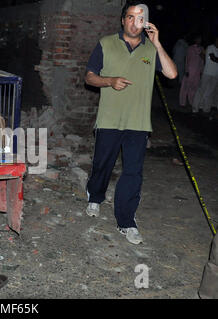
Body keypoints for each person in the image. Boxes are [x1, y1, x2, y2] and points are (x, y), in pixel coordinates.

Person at [84, 1, 177, 244]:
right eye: (130, 17)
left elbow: (172, 74)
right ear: (123, 19)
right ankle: (95, 196)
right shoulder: (106, 43)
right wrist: (110, 81)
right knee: (102, 164)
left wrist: (157, 43)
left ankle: (126, 221)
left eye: (140, 18)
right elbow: (90, 77)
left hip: (139, 123)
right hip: (109, 119)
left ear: (145, 22)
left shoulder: (150, 50)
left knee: (133, 173)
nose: (134, 22)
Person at [192, 36, 218, 114]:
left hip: (216, 74)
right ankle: (195, 108)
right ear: (216, 40)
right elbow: (213, 58)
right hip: (207, 73)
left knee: (210, 92)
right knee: (201, 90)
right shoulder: (210, 47)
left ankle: (206, 109)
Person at [179, 34, 204, 109]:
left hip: (197, 71)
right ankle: (182, 103)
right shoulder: (190, 48)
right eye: (198, 39)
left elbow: (202, 61)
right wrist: (186, 70)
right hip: (190, 70)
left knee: (194, 88)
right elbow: (187, 59)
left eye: (200, 39)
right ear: (195, 40)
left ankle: (191, 102)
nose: (199, 40)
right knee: (185, 87)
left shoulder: (202, 49)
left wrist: (201, 71)